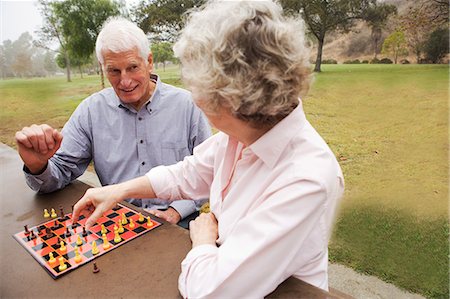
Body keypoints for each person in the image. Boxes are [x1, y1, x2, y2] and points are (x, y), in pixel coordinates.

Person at [72, 1, 344, 297]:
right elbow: (188, 173)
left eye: (202, 88)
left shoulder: (306, 180)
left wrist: (203, 238)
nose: (196, 99)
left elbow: (209, 291)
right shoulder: (243, 133)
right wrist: (119, 191)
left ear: (236, 97)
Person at [14, 17, 211, 226]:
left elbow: (208, 171)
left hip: (178, 221)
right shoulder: (91, 111)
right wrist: (38, 166)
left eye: (133, 67)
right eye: (114, 71)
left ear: (149, 61)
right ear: (103, 68)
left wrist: (175, 212)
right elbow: (59, 172)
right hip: (118, 220)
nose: (125, 81)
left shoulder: (188, 105)